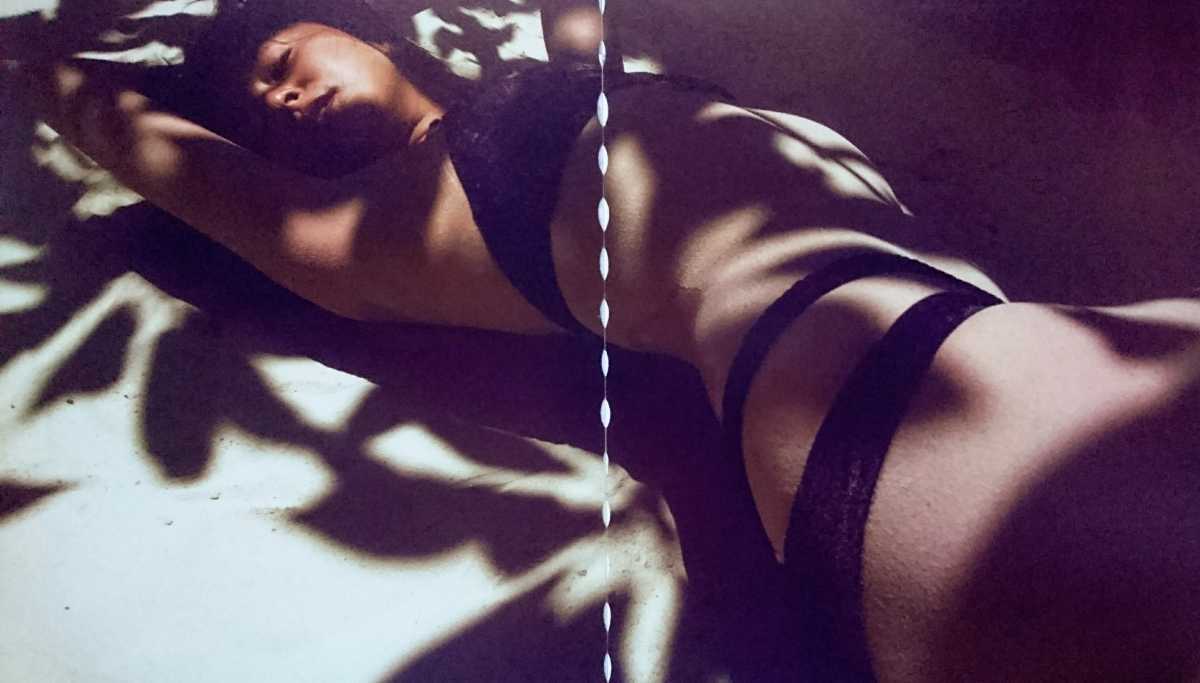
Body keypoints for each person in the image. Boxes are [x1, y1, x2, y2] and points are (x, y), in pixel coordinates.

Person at [7, 2, 1200, 680]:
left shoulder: (579, 77)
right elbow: (144, 144)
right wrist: (43, 61)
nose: (278, 98)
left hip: (1014, 343)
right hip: (869, 392)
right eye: (258, 116)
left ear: (372, 33)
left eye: (282, 58)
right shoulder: (371, 229)